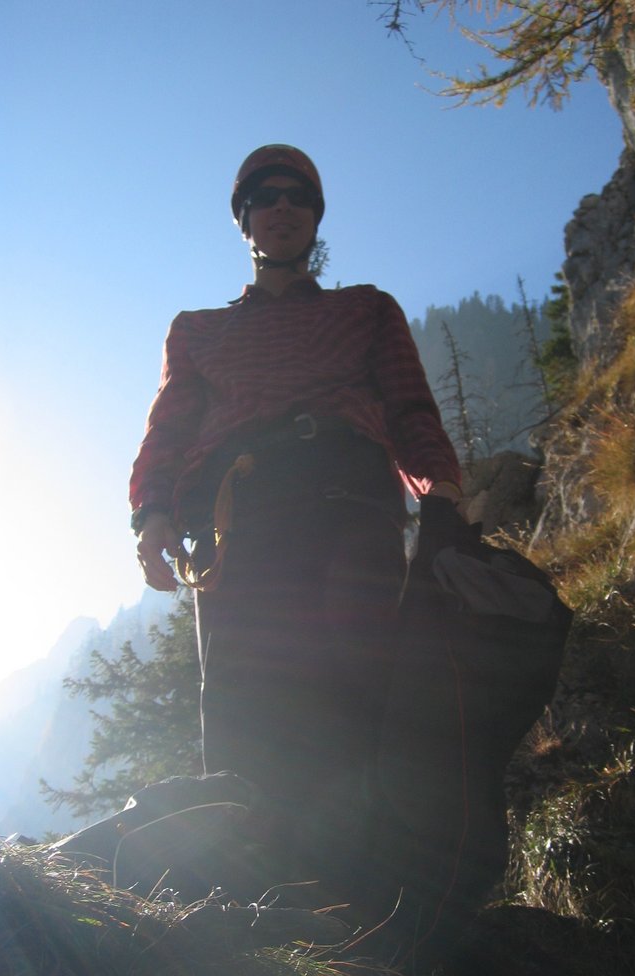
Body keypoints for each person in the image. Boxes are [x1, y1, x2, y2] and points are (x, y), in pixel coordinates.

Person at [129, 144, 462, 920]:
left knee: (360, 685)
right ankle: (258, 911)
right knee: (244, 703)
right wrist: (152, 514)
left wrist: (441, 493)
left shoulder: (367, 310)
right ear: (244, 219)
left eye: (298, 197)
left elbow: (410, 410)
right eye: (266, 196)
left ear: (314, 219)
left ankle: (374, 911)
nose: (282, 206)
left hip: (350, 503)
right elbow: (168, 432)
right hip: (239, 522)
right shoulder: (197, 331)